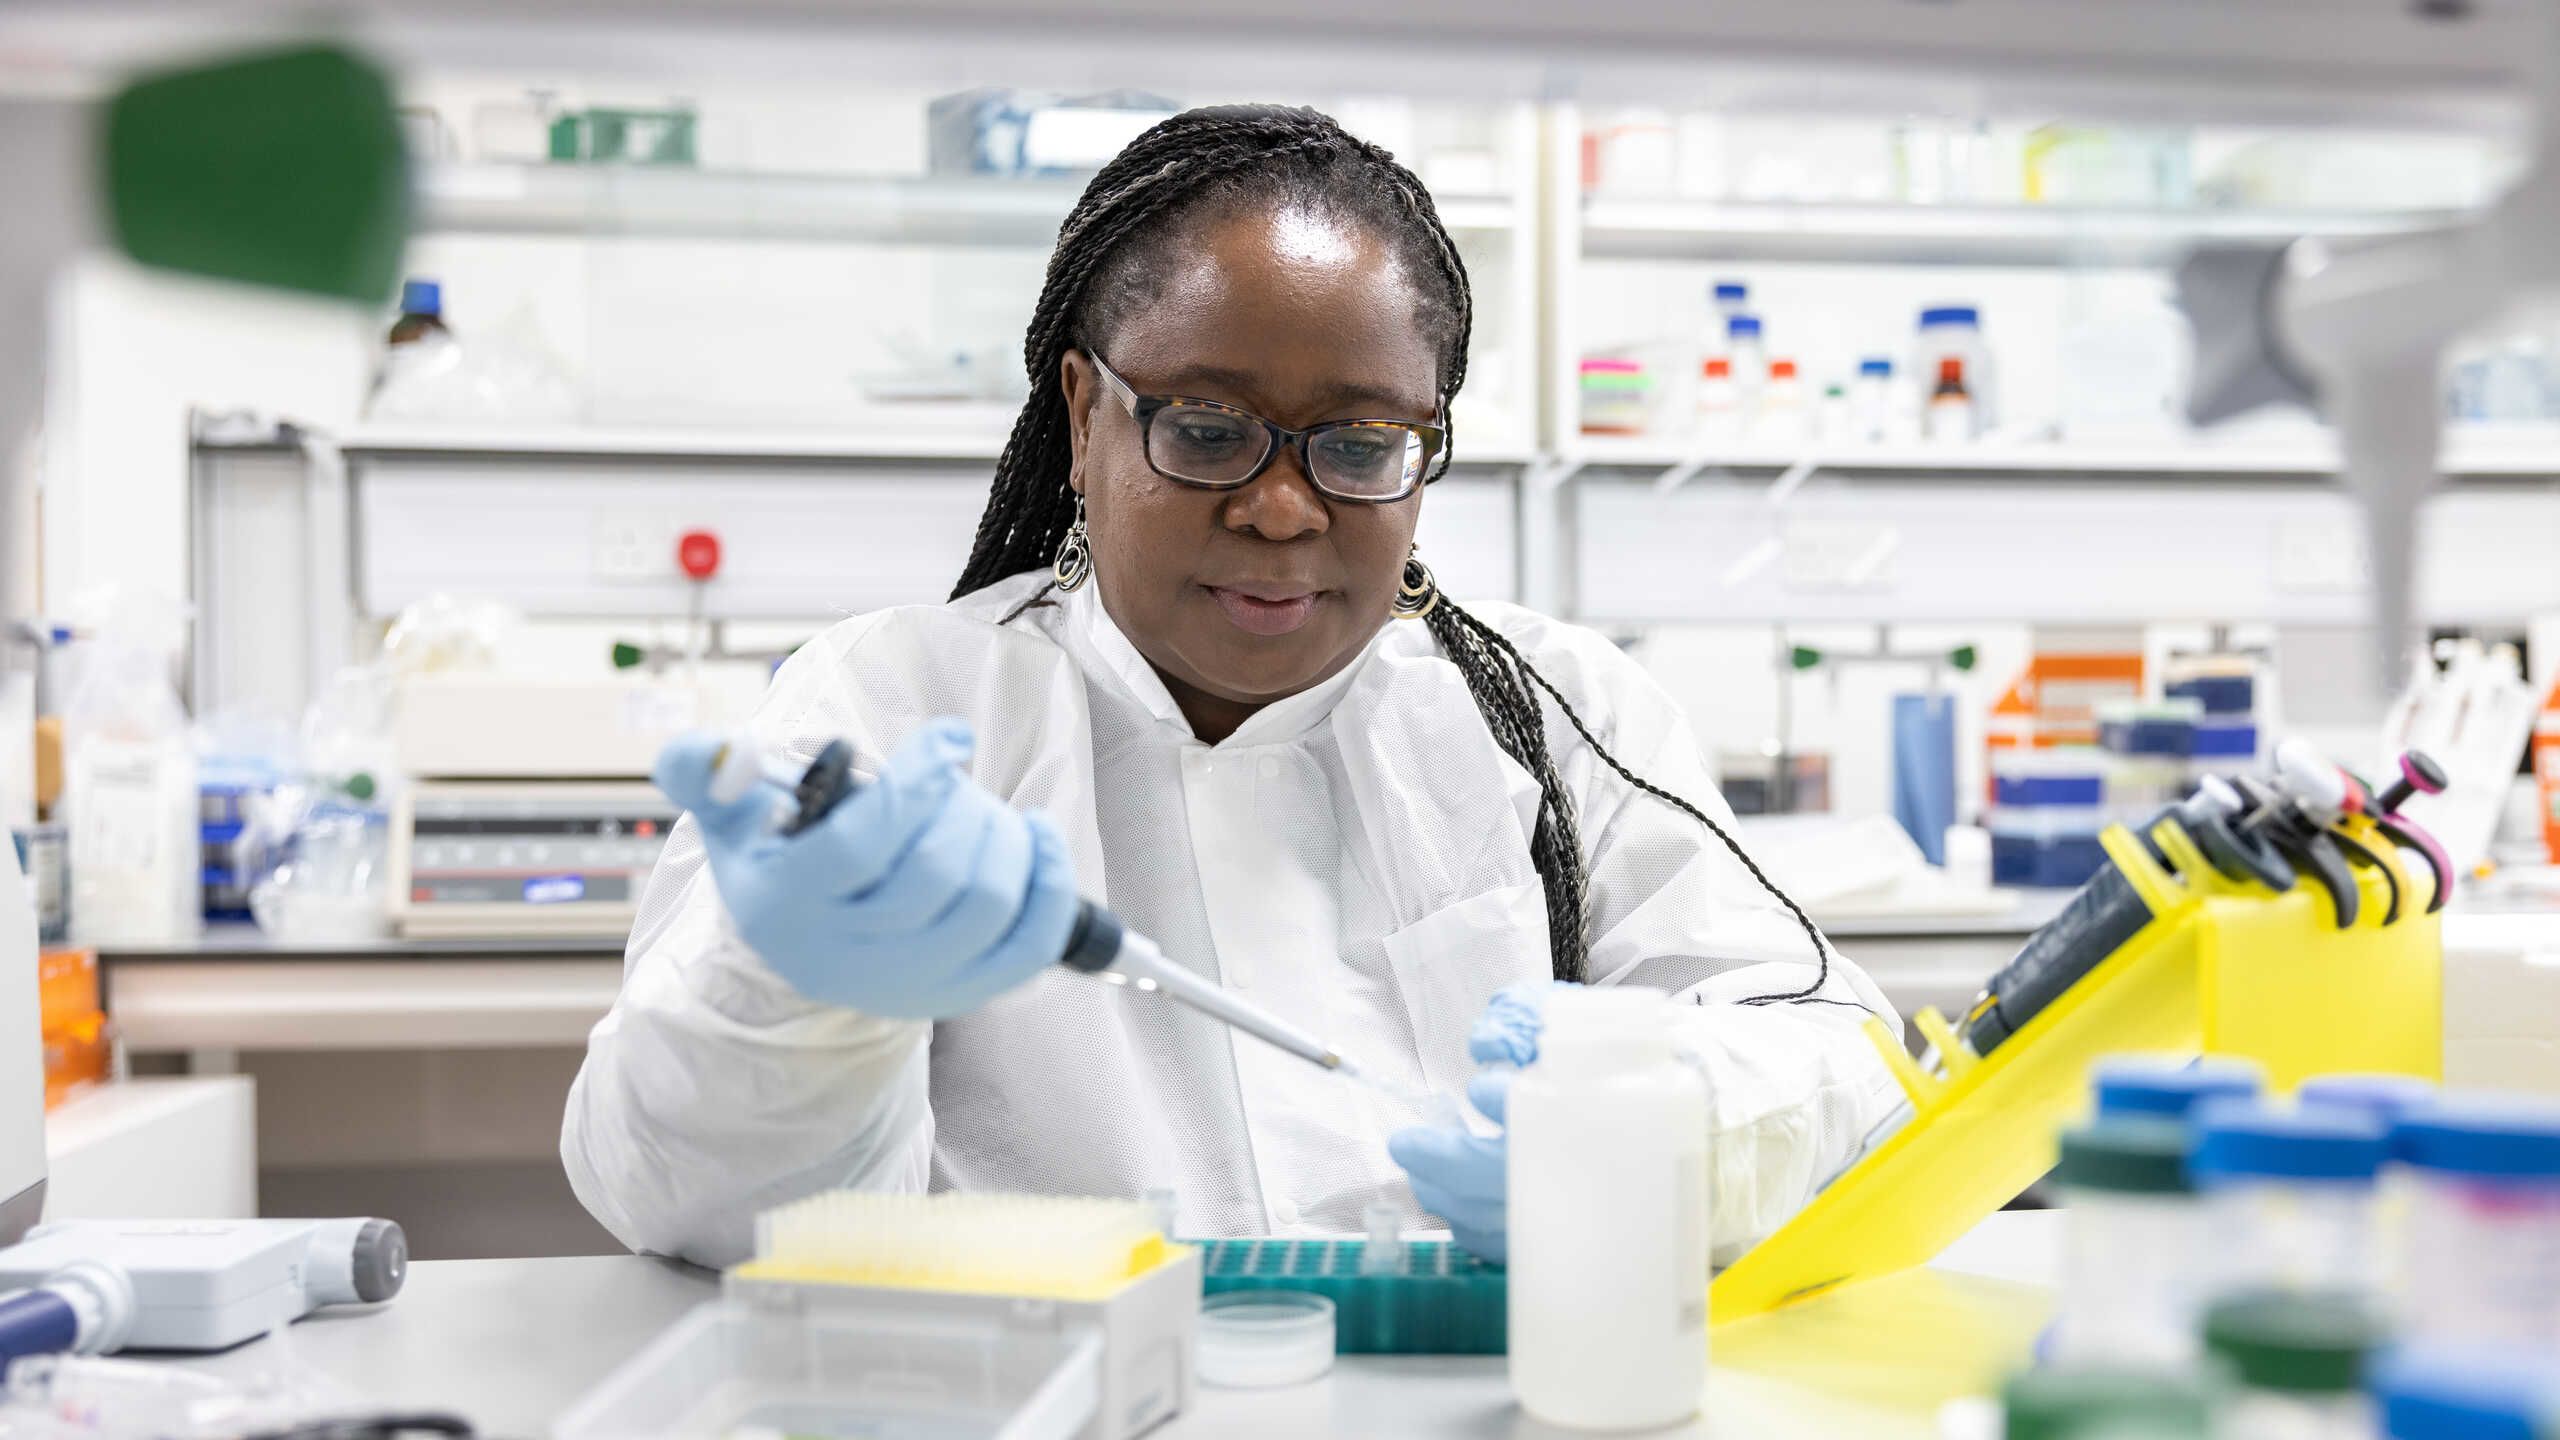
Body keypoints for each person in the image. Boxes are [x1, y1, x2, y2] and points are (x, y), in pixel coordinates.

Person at [562, 104, 1902, 1269]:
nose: (1279, 508)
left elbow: (1849, 1065)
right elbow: (671, 1201)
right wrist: (792, 1000)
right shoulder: (905, 704)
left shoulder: (1554, 716)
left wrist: (1673, 1128)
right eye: (1207, 430)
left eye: (1362, 443)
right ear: (1087, 418)